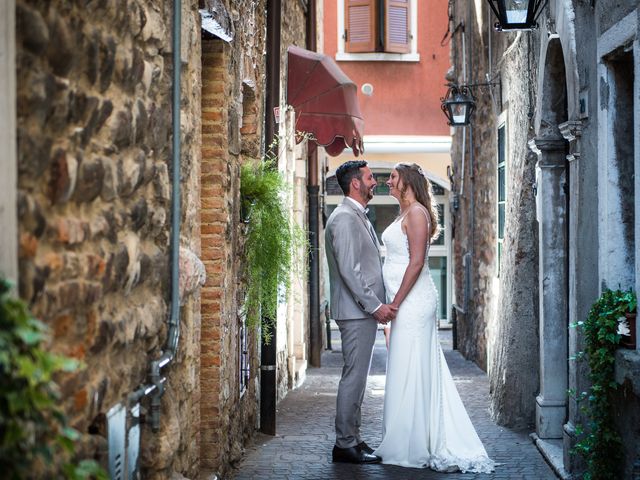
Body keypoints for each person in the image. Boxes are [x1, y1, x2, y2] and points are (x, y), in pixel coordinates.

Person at [373, 163, 495, 473]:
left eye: (393, 178)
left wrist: (395, 304)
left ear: (408, 182)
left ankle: (415, 443)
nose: (388, 182)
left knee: (412, 364)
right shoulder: (407, 213)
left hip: (412, 302)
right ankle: (404, 437)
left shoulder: (416, 214)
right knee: (404, 364)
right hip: (406, 301)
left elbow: (415, 264)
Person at [325, 160, 397, 464]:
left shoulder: (356, 216)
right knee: (353, 377)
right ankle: (344, 444)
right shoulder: (344, 218)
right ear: (355, 183)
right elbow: (351, 272)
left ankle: (353, 438)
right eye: (369, 178)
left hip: (359, 313)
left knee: (357, 377)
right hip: (356, 313)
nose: (375, 182)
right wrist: (375, 306)